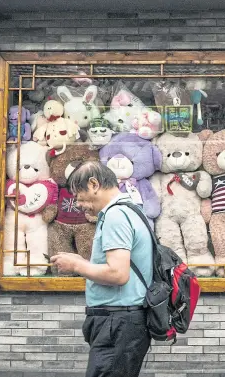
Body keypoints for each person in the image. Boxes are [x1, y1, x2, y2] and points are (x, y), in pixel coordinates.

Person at [51, 161, 153, 377]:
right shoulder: (130, 210)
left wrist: (76, 265)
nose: (78, 203)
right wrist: (81, 260)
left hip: (117, 323)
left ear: (94, 184)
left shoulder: (115, 216)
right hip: (121, 321)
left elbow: (118, 273)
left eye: (78, 195)